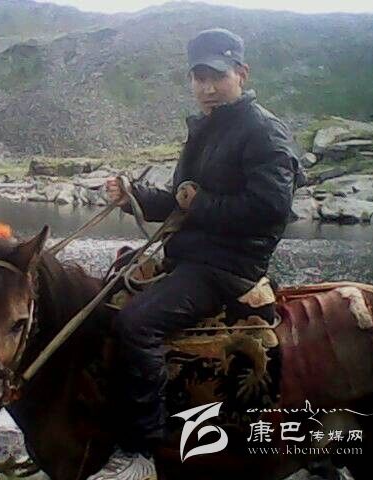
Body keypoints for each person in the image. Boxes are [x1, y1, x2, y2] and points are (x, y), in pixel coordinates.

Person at [88, 28, 301, 479]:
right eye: (199, 77)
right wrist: (133, 196)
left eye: (217, 77)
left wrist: (199, 203)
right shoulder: (205, 129)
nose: (207, 88)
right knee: (106, 294)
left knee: (136, 324)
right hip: (193, 255)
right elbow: (179, 200)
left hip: (227, 265)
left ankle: (141, 452)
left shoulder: (263, 131)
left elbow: (272, 208)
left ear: (242, 74)